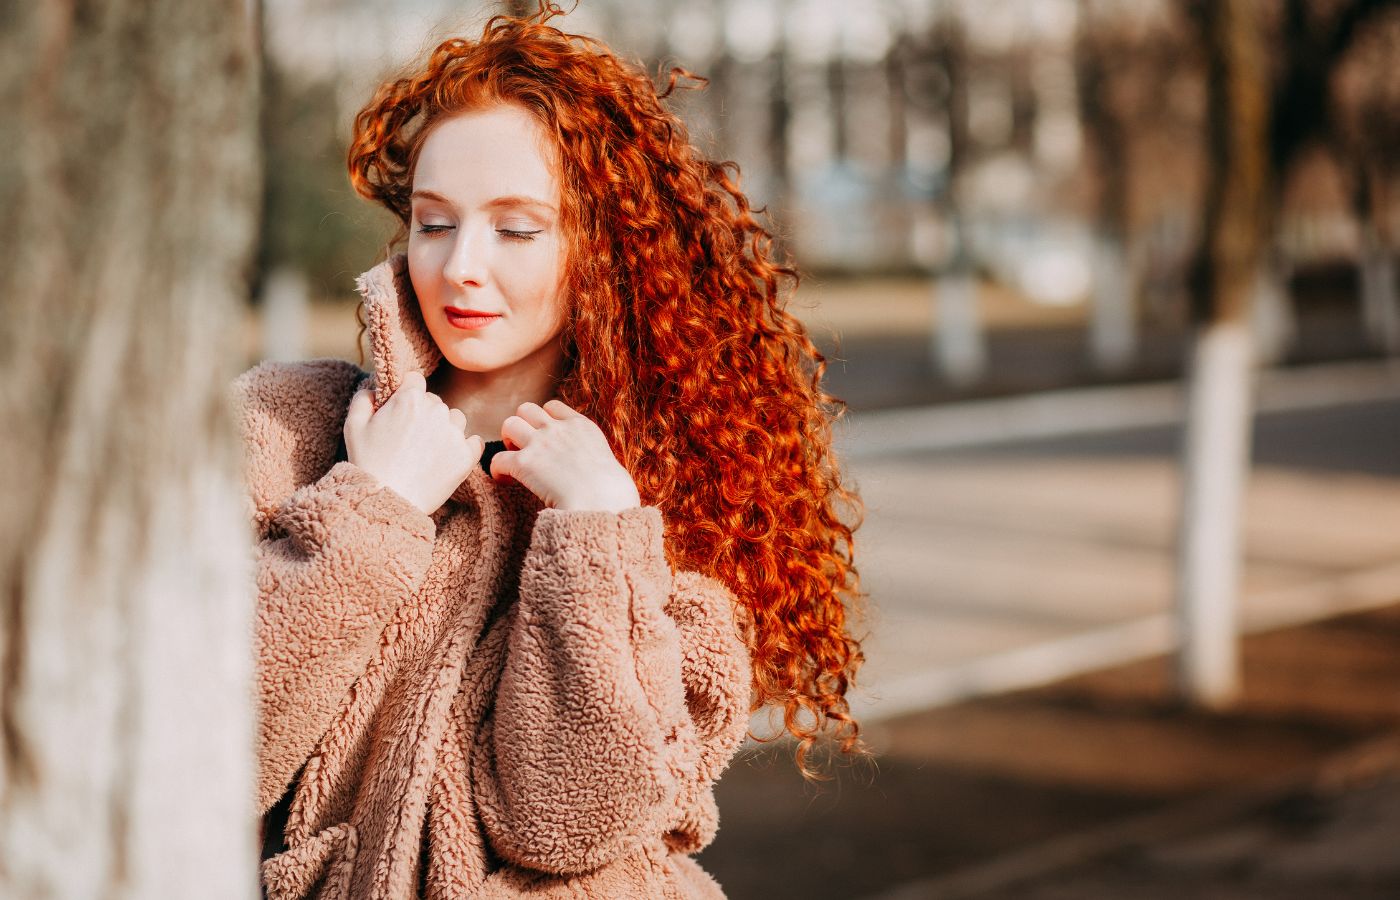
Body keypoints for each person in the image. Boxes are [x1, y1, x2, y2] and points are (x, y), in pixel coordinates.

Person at [232, 4, 865, 898]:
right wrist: (369, 511)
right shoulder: (287, 428)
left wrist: (597, 538)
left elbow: (568, 821)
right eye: (435, 221)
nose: (460, 268)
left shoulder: (669, 509)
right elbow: (192, 751)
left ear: (602, 254)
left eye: (518, 228)